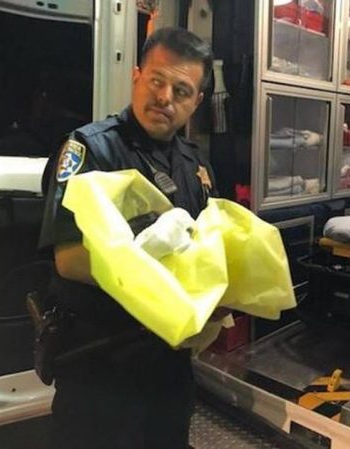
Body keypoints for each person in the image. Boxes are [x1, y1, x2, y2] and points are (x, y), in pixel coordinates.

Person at [38, 27, 217, 449]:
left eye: (182, 89)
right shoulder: (90, 151)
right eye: (157, 80)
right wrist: (166, 285)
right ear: (137, 76)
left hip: (170, 367)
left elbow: (209, 248)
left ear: (197, 102)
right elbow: (71, 258)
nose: (165, 98)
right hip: (100, 363)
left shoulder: (196, 167)